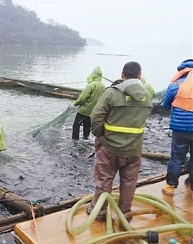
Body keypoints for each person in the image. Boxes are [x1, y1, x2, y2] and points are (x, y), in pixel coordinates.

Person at [88, 62, 153, 221]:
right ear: (140, 75)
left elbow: (95, 117)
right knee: (129, 183)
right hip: (134, 150)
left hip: (109, 147)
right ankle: (125, 214)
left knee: (104, 180)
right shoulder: (148, 95)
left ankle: (100, 213)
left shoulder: (111, 93)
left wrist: (101, 136)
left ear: (122, 75)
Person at [162, 59, 193, 196]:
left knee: (176, 158)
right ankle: (191, 182)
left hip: (180, 129)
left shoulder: (176, 84)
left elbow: (166, 104)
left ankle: (170, 186)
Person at [72, 66, 105, 140]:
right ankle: (86, 138)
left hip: (84, 111)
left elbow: (82, 99)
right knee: (87, 126)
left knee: (76, 126)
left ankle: (75, 141)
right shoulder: (103, 86)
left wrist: (75, 103)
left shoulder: (91, 85)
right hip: (93, 112)